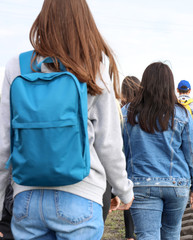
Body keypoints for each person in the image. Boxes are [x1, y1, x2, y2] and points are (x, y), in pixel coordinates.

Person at [0, 0, 134, 239]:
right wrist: (123, 190)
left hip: (27, 199)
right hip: (80, 195)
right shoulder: (94, 66)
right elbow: (108, 143)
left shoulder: (17, 67)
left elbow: (3, 146)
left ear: (43, 20)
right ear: (83, 22)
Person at [122, 62, 193, 240]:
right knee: (172, 234)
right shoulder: (182, 114)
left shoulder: (128, 112)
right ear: (170, 85)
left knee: (147, 235)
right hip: (177, 184)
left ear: (144, 84)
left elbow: (120, 152)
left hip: (141, 183)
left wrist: (119, 186)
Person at [120, 76, 141, 240]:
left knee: (128, 200)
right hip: (141, 162)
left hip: (126, 162)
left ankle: (129, 236)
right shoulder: (145, 110)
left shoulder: (122, 111)